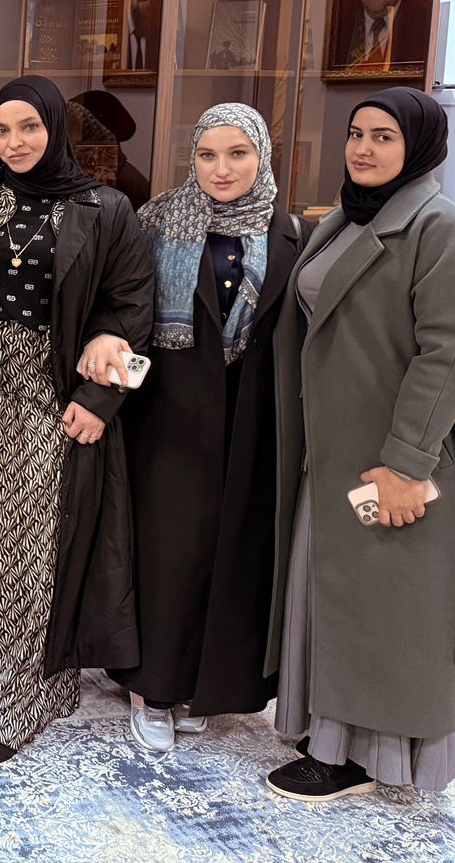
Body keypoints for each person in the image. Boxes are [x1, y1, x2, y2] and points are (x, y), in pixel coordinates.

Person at [264, 88, 455, 800]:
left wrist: (404, 464)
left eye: (384, 137)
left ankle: (370, 759)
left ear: (419, 147)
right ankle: (331, 737)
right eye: (356, 133)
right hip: (335, 450)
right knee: (339, 596)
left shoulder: (445, 231)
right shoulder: (345, 218)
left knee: (391, 608)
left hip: (397, 458)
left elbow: (448, 356)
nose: (363, 149)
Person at [0, 74, 153, 766]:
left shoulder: (106, 208)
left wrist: (100, 400)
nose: (14, 142)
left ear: (56, 129)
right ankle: (33, 679)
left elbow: (132, 309)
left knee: (25, 548)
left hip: (51, 397)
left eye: (29, 127)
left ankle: (10, 704)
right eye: (2, 130)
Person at [107, 103, 308, 753]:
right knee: (168, 554)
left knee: (233, 553)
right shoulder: (156, 223)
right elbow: (120, 305)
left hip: (251, 420)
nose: (221, 169)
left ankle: (205, 685)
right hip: (168, 417)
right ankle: (151, 690)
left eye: (237, 154)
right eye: (207, 155)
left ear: (262, 157)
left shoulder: (291, 235)